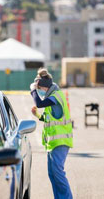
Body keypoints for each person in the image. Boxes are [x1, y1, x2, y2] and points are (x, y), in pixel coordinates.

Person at [30, 68, 73, 199]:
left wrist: (32, 89)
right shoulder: (51, 97)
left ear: (44, 86)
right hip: (52, 143)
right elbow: (49, 119)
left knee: (58, 173)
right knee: (52, 173)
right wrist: (37, 115)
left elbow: (39, 103)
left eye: (39, 88)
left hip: (60, 142)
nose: (39, 91)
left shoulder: (56, 96)